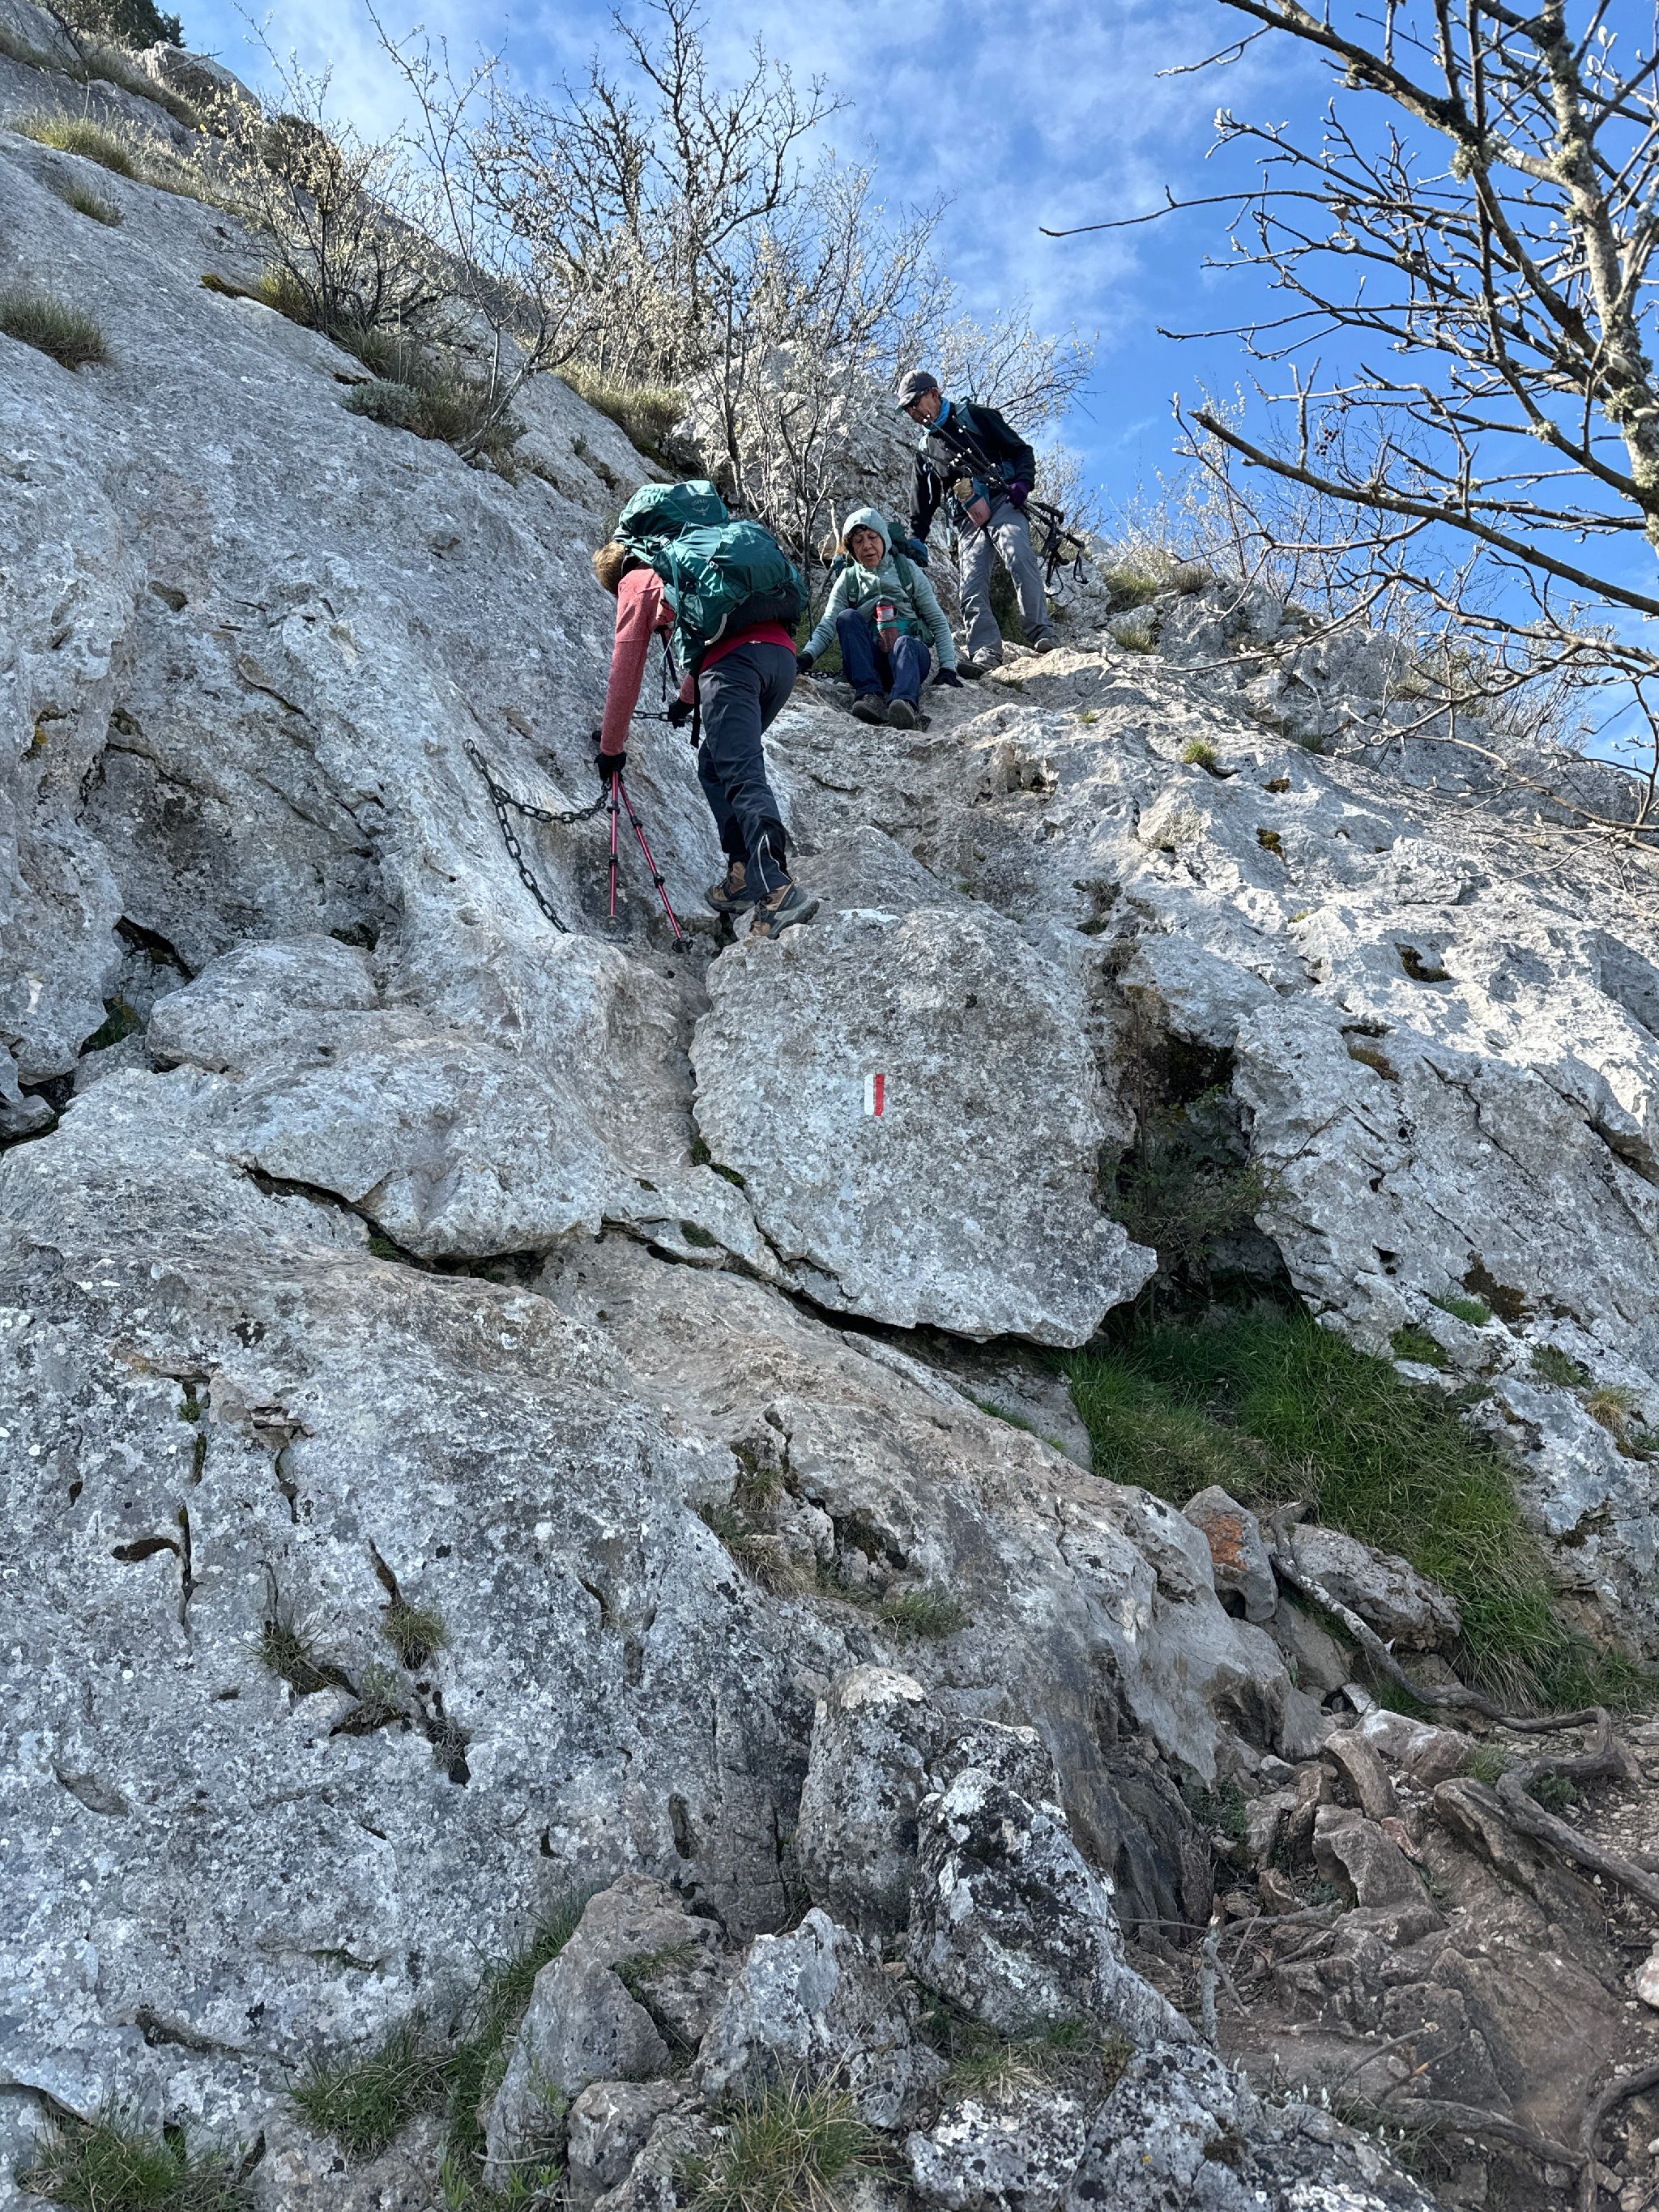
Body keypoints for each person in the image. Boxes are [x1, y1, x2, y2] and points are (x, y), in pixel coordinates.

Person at [591, 538, 817, 938]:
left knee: (741, 773)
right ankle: (743, 871)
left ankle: (777, 888)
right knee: (714, 763)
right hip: (780, 660)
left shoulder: (637, 582)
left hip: (735, 668)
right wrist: (685, 701)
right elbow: (714, 634)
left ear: (617, 578)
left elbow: (624, 673)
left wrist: (611, 749)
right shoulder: (692, 566)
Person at [898, 368, 1057, 675]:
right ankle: (985, 652)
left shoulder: (977, 416)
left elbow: (1021, 450)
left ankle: (1042, 632)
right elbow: (923, 500)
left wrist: (1023, 483)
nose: (913, 413)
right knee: (970, 585)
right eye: (907, 409)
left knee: (1018, 553)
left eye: (915, 403)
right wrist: (917, 537)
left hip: (1003, 501)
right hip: (967, 517)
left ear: (934, 394)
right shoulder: (925, 450)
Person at [795, 507, 962, 727]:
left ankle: (903, 703)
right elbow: (828, 624)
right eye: (858, 541)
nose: (867, 546)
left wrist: (948, 668)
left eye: (872, 537)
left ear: (884, 538)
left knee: (905, 643)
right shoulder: (849, 578)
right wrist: (806, 658)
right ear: (851, 549)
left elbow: (937, 621)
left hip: (908, 660)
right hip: (870, 663)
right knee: (846, 618)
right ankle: (869, 695)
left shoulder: (907, 570)